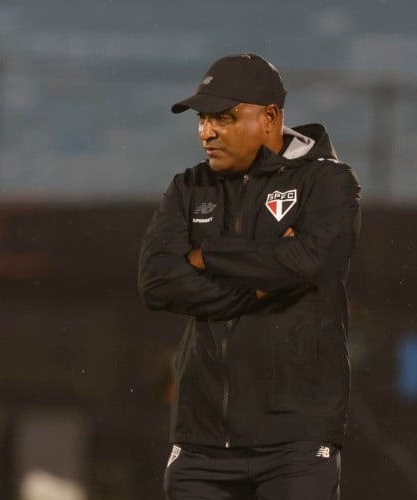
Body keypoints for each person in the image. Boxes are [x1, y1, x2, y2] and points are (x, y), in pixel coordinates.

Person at [138, 53, 361, 499]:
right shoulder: (188, 187)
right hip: (201, 442)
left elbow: (310, 261)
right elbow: (156, 281)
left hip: (295, 440)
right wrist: (258, 288)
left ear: (270, 118)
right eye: (202, 119)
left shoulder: (328, 182)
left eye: (223, 118)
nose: (206, 132)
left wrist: (208, 254)